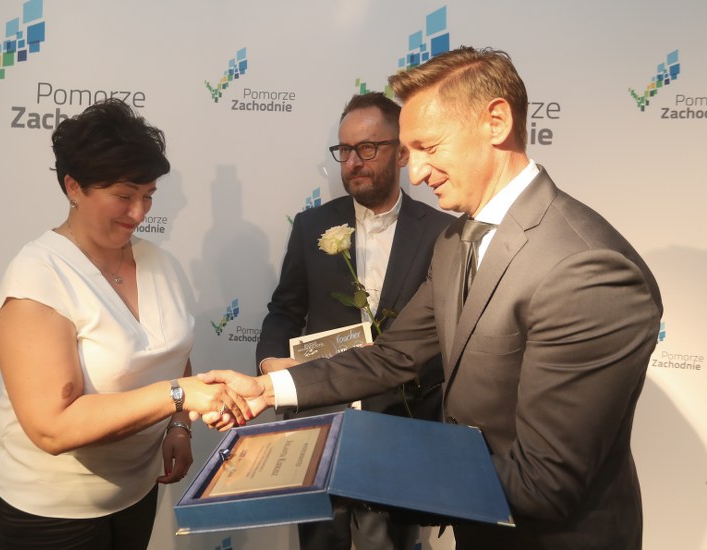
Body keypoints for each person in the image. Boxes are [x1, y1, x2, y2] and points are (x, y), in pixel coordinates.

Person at [201, 47, 663, 549]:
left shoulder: (586, 270)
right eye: (409, 150)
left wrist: (343, 458)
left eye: (428, 147)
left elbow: (543, 483)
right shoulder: (455, 241)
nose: (417, 172)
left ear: (496, 122)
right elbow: (393, 356)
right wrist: (267, 389)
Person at [0, 98, 249, 550]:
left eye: (148, 196)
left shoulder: (159, 262)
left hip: (135, 491)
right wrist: (178, 396)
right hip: (49, 510)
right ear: (73, 186)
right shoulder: (37, 278)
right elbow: (52, 428)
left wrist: (178, 425)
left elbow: (172, 352)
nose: (139, 212)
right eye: (124, 195)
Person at [256, 92, 453, 550]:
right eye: (344, 150)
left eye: (367, 148)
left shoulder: (444, 232)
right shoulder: (311, 226)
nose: (352, 162)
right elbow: (285, 310)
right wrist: (269, 363)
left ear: (401, 153)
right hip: (320, 423)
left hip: (403, 425)